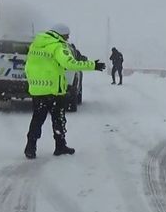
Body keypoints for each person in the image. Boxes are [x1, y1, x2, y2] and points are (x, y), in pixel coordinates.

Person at [24, 24, 106, 159]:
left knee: (37, 119)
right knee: (58, 119)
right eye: (67, 36)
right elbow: (70, 63)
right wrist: (93, 65)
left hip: (38, 90)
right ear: (61, 34)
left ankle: (30, 147)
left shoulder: (35, 45)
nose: (67, 39)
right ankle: (60, 146)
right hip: (54, 90)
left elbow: (28, 65)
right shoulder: (58, 46)